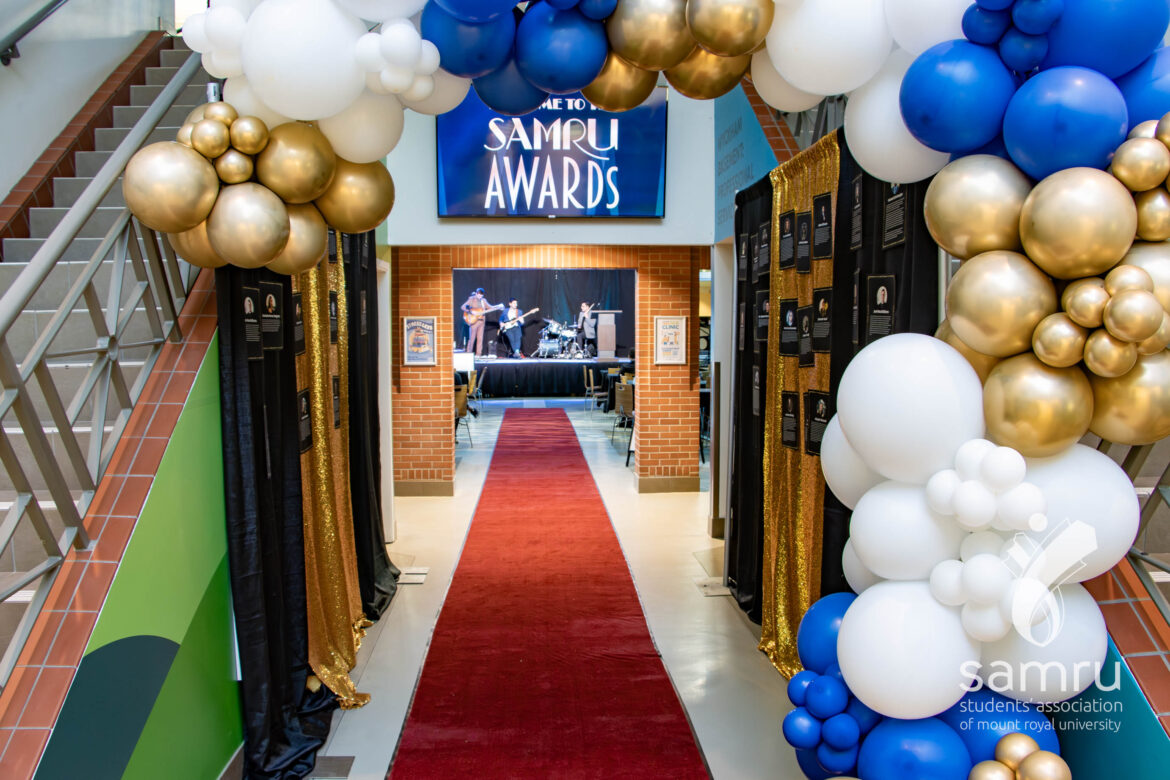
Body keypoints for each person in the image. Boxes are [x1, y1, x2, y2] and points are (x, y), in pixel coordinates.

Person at [461, 288, 500, 356]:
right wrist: (470, 311)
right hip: (473, 321)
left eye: (481, 295)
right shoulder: (472, 299)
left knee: (480, 339)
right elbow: (463, 307)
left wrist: (497, 307)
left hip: (482, 321)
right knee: (472, 338)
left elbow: (490, 307)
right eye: (478, 294)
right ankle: (468, 354)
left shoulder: (483, 300)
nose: (480, 296)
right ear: (476, 293)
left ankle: (478, 354)